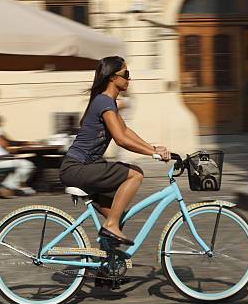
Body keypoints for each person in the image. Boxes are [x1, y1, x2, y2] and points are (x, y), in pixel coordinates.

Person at [59, 56, 170, 246]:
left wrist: (153, 148)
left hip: (84, 167)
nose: (129, 79)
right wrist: (153, 154)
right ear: (112, 77)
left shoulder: (107, 102)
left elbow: (126, 132)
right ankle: (110, 225)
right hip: (77, 168)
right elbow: (120, 139)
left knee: (118, 215)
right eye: (126, 74)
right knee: (135, 174)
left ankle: (106, 270)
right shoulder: (104, 102)